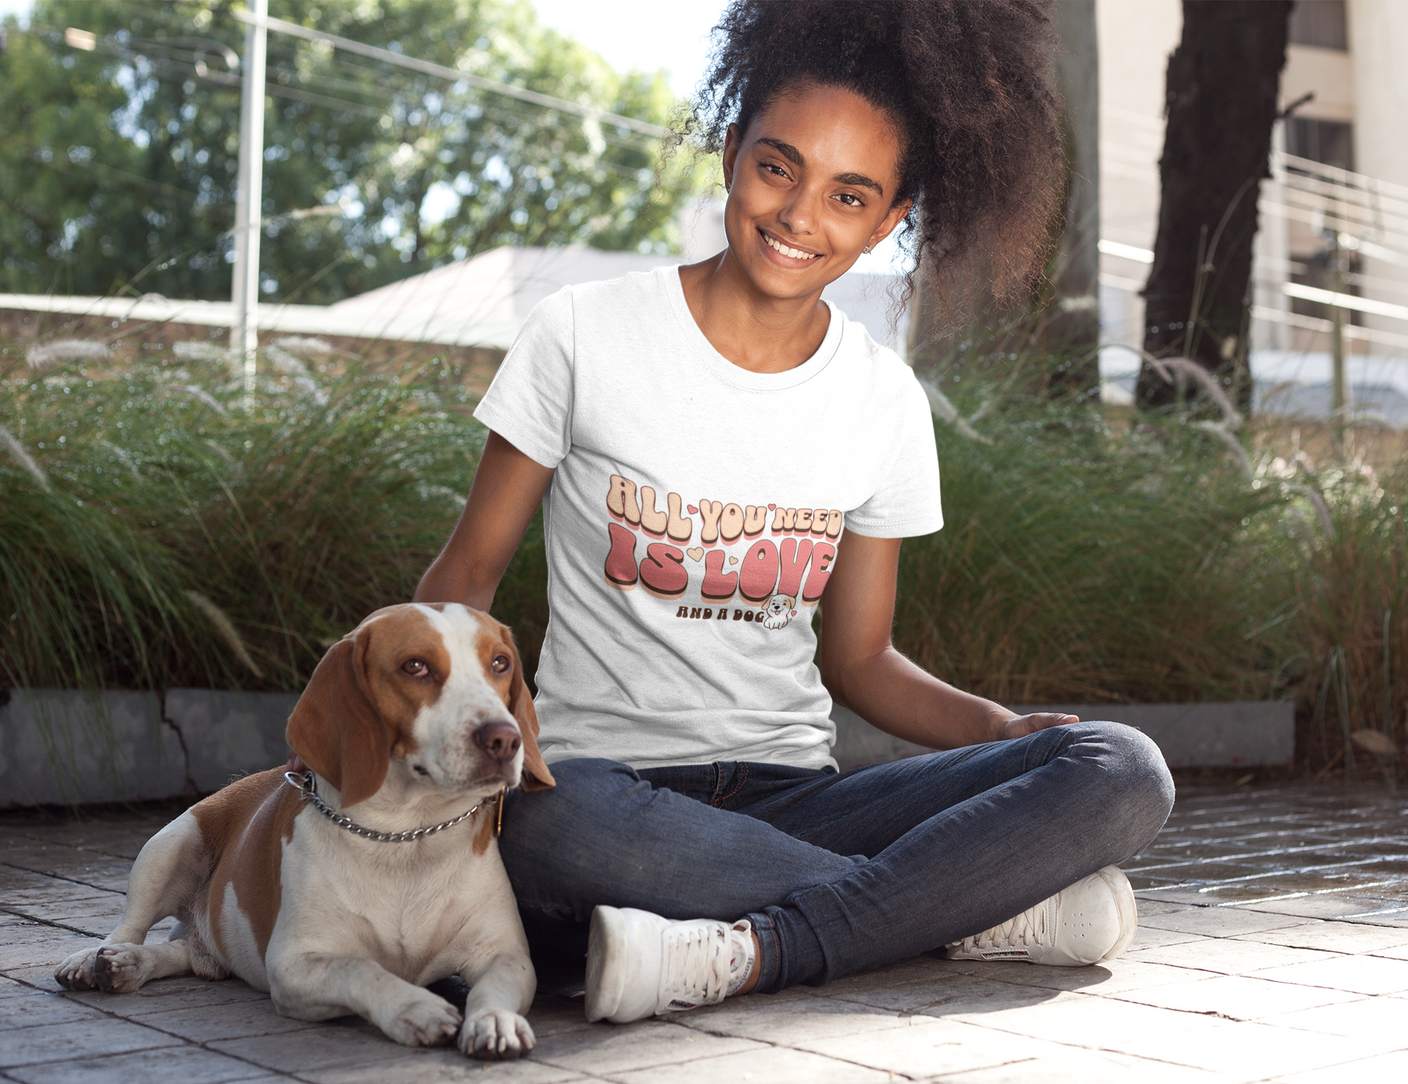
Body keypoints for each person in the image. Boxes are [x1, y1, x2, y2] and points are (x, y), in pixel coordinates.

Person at [415, 0, 1174, 1023]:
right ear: (730, 152)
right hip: (605, 784)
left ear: (890, 219)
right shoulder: (583, 336)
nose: (798, 215)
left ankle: (747, 945)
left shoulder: (881, 399)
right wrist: (502, 736)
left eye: (848, 194)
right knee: (546, 826)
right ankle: (957, 913)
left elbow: (858, 660)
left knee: (1119, 769)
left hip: (796, 790)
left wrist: (1000, 733)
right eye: (777, 167)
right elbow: (462, 583)